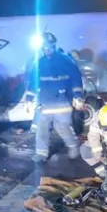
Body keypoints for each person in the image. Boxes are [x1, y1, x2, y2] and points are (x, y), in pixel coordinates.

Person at [23, 31, 83, 162]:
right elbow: (34, 82)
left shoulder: (65, 60)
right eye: (46, 47)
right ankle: (41, 154)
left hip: (62, 102)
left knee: (63, 128)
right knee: (42, 129)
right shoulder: (40, 62)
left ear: (54, 46)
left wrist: (78, 96)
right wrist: (29, 100)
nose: (48, 50)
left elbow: (76, 79)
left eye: (50, 47)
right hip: (45, 103)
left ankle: (74, 146)